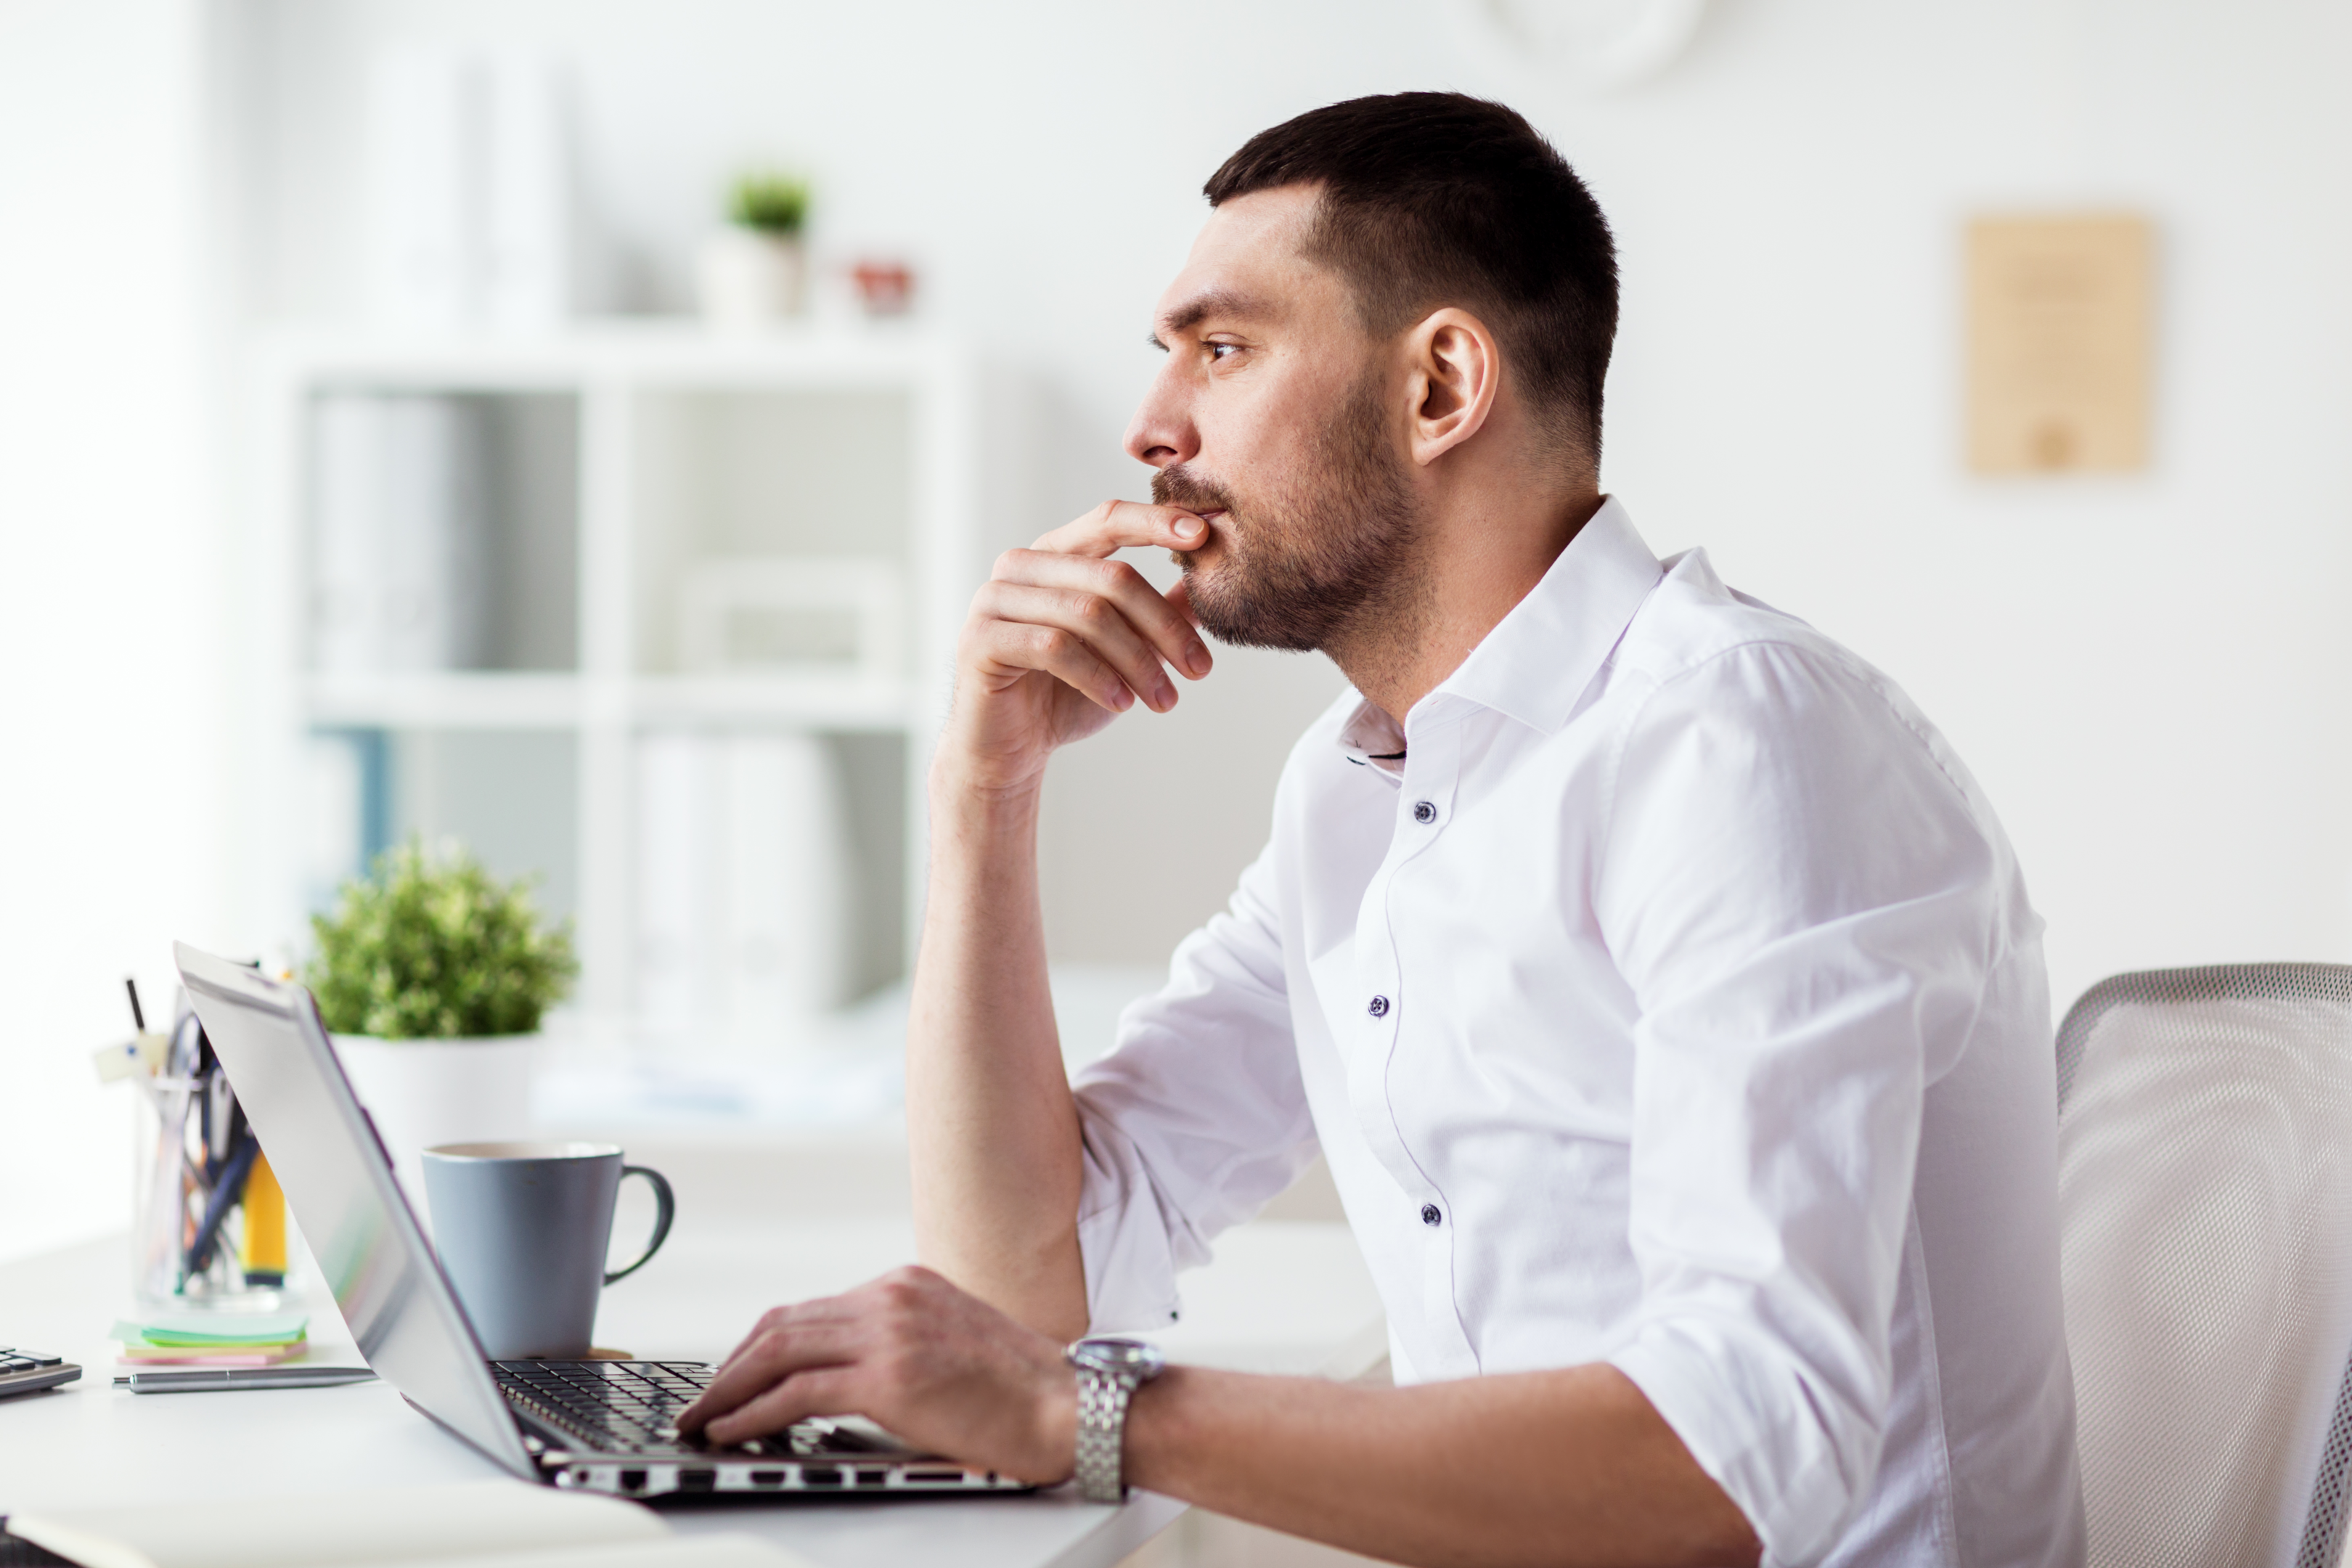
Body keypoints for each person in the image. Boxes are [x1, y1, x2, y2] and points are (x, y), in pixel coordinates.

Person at [679, 92, 2084, 1568]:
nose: (1152, 427)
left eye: (1220, 348)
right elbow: (1029, 1293)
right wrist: (985, 790)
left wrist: (1092, 1414)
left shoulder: (1739, 744)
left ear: (1440, 389)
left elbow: (1737, 1458)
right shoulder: (1356, 793)